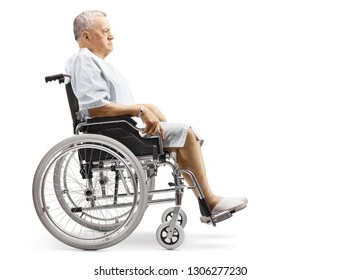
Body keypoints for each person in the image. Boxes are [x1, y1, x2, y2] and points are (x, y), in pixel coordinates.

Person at [66, 10, 248, 217]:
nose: (111, 35)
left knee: (181, 134)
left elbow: (106, 105)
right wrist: (140, 109)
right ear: (86, 36)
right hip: (112, 134)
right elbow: (96, 108)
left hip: (120, 130)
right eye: (105, 31)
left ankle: (207, 202)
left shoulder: (95, 62)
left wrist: (147, 106)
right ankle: (209, 202)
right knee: (185, 133)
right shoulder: (84, 60)